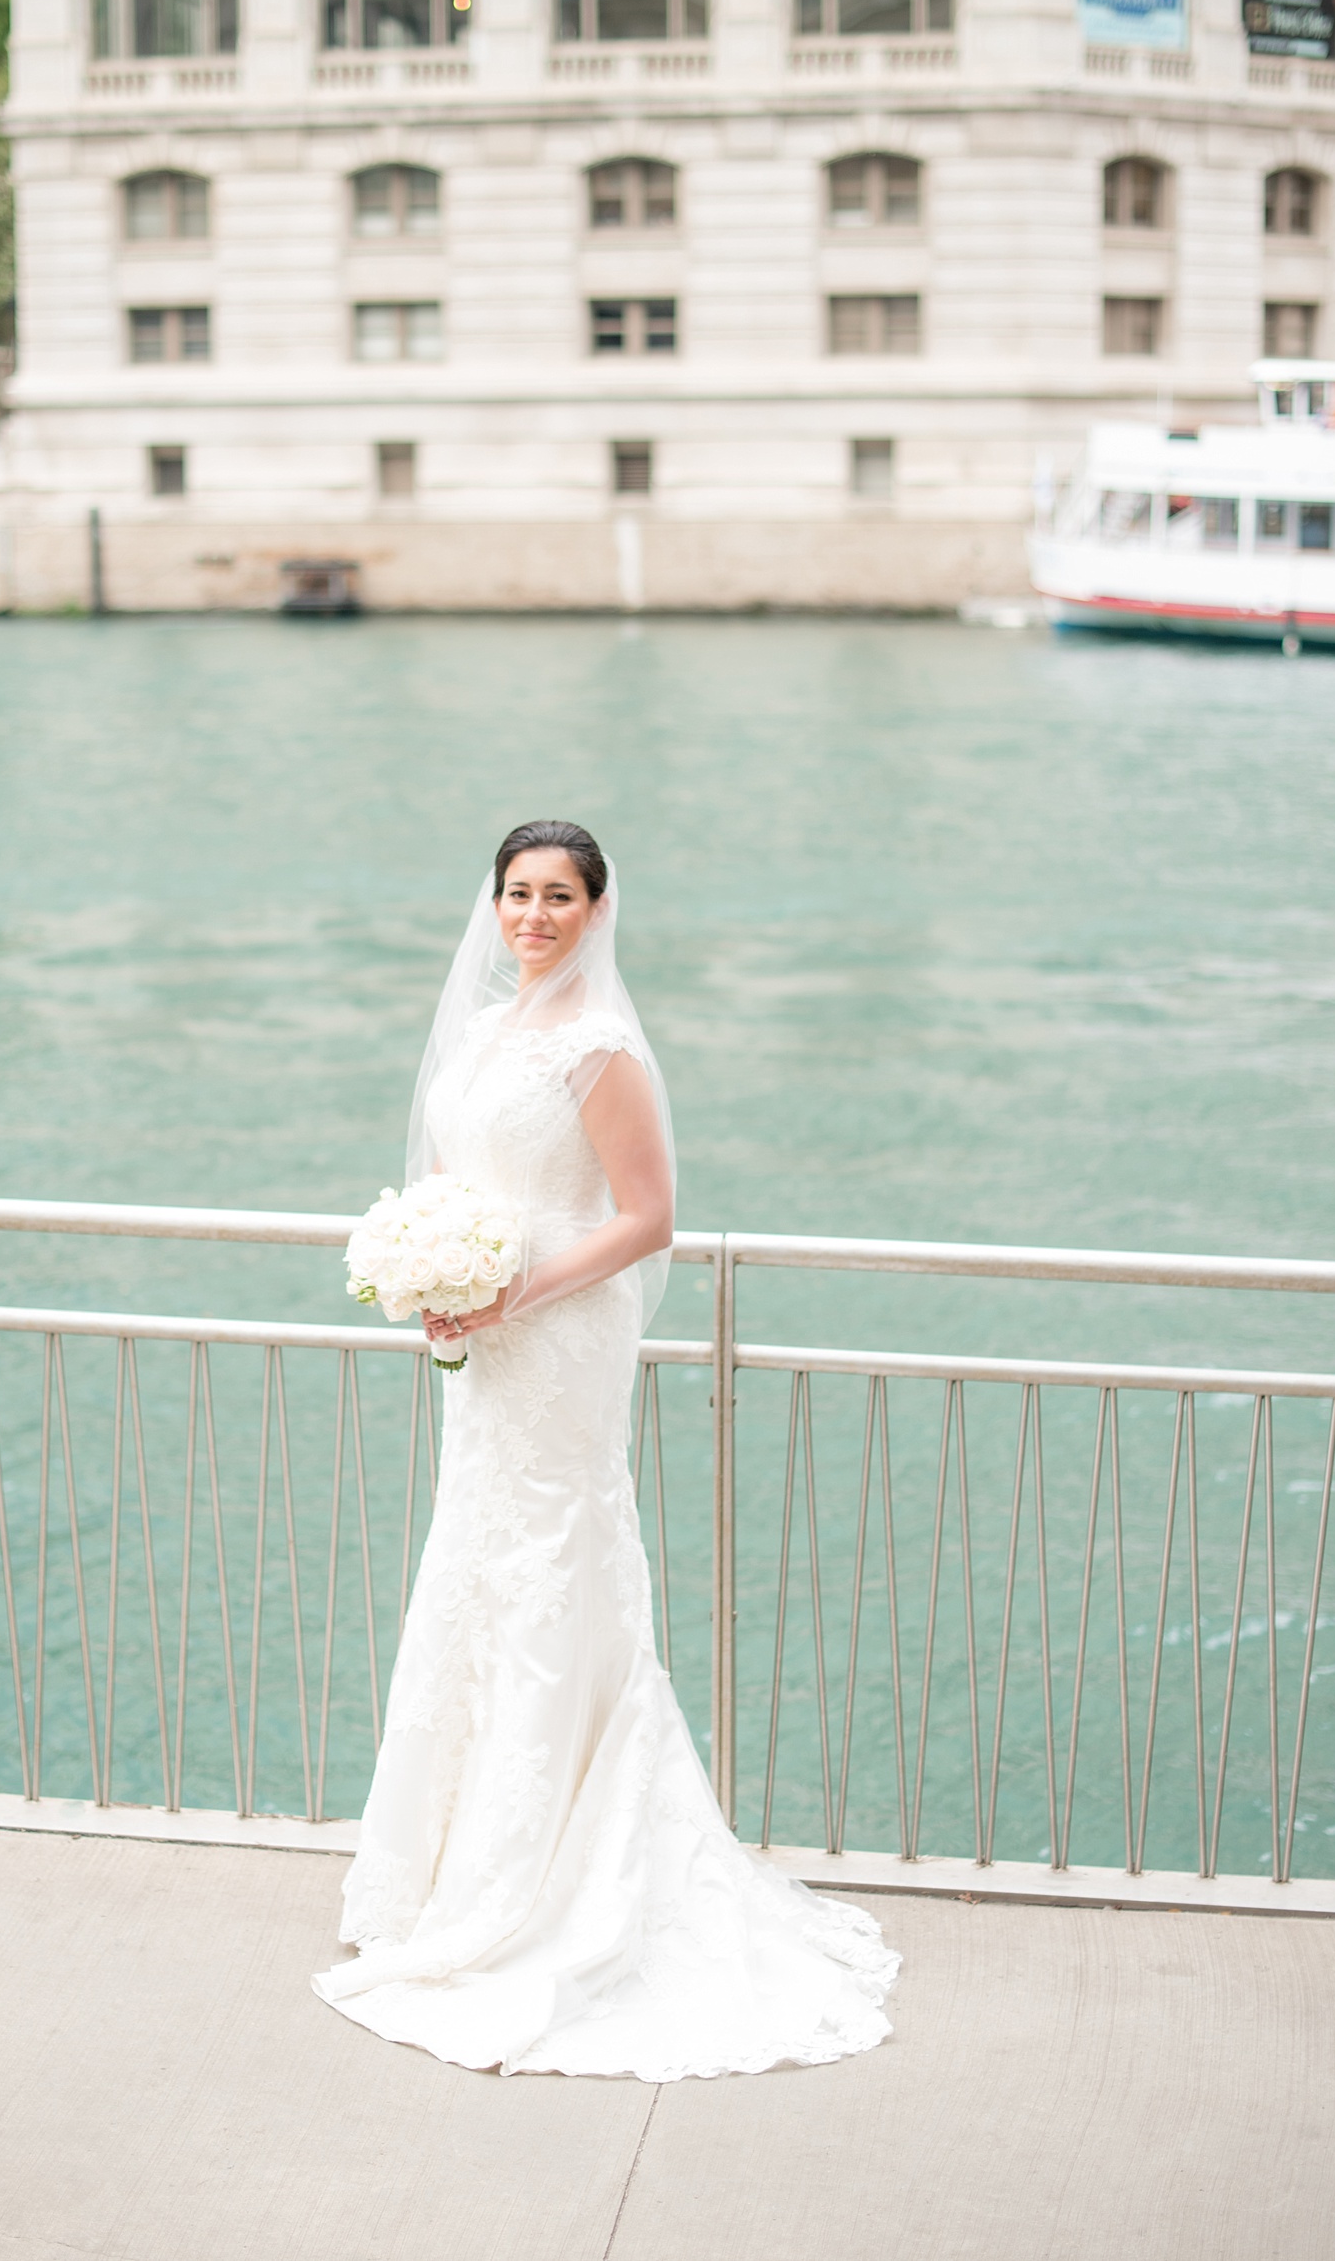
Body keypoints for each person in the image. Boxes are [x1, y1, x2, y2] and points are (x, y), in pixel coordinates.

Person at [313, 819, 899, 2078]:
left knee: (552, 1574)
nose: (532, 913)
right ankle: (453, 1874)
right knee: (476, 1569)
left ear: (595, 909)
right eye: (516, 892)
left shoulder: (600, 1044)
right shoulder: (481, 1030)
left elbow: (647, 1217)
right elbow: (460, 1177)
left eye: (557, 896)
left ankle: (561, 1879)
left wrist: (507, 1290)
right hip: (486, 1340)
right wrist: (433, 1264)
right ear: (494, 902)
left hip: (559, 1340)